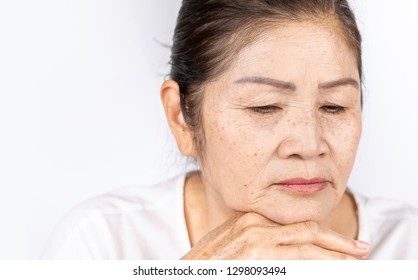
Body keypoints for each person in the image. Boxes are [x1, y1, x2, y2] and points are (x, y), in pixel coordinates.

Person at [42, 0, 418, 260]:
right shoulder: (102, 243)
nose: (309, 145)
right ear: (181, 117)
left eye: (334, 106)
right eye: (264, 106)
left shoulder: (408, 245)